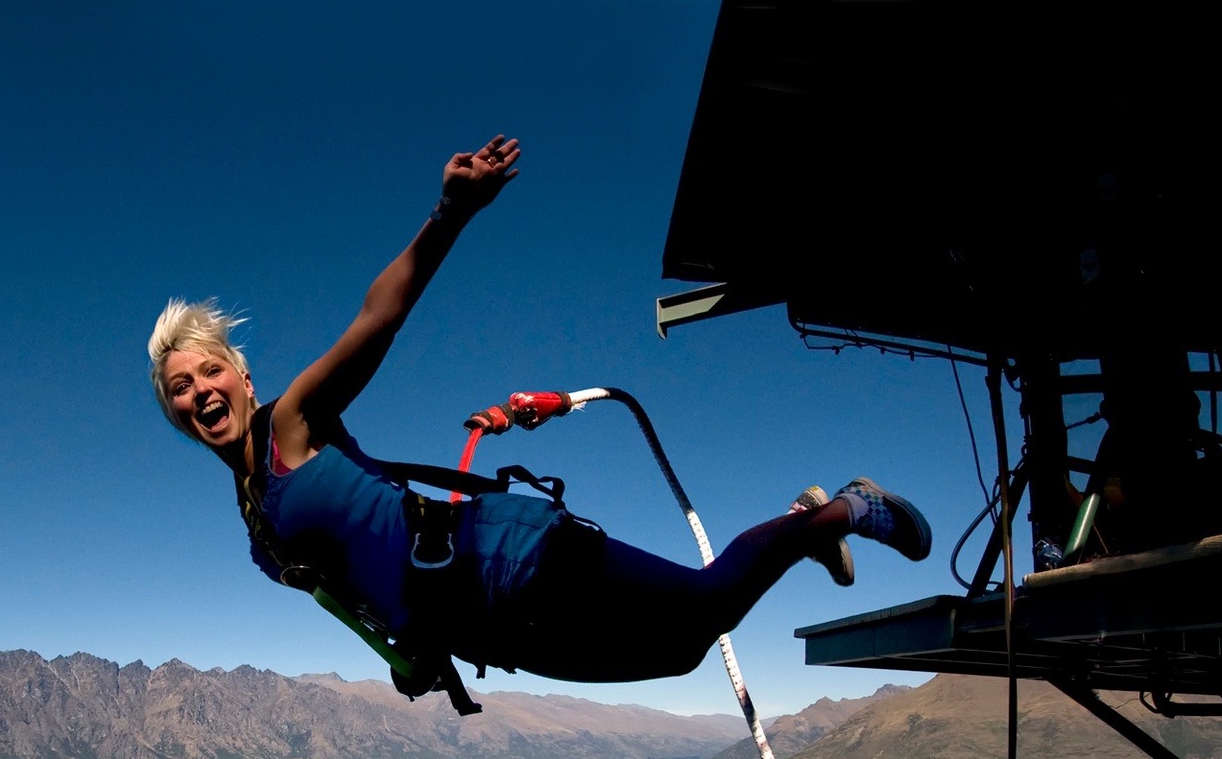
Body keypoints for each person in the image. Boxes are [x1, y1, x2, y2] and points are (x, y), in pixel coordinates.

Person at [147, 135, 929, 701]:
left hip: (504, 557)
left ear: (243, 377)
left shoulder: (292, 424)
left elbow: (375, 321)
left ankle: (835, 514)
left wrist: (449, 213)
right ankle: (806, 525)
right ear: (172, 412)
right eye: (180, 388)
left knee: (697, 613)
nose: (201, 391)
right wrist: (405, 650)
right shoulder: (256, 521)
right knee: (682, 656)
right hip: (480, 624)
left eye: (210, 370)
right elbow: (354, 583)